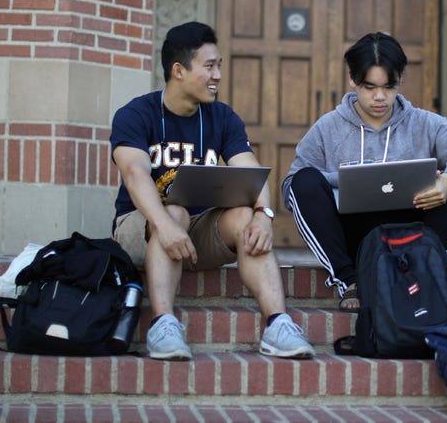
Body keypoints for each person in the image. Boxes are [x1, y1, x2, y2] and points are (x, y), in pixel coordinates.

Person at [110, 21, 315, 360]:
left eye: (219, 65)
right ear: (178, 70)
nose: (218, 74)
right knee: (173, 212)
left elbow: (250, 171)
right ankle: (163, 326)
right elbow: (134, 174)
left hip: (197, 231)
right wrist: (164, 225)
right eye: (209, 66)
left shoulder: (221, 116)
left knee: (244, 216)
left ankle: (278, 324)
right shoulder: (136, 114)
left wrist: (264, 216)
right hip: (140, 228)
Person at [282, 32, 447, 311]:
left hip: (406, 236)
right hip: (350, 238)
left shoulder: (422, 122)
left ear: (400, 80)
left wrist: (446, 180)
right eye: (369, 87)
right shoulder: (328, 127)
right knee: (304, 181)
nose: (380, 97)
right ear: (352, 80)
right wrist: (343, 181)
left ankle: (417, 272)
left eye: (389, 86)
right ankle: (350, 281)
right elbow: (292, 190)